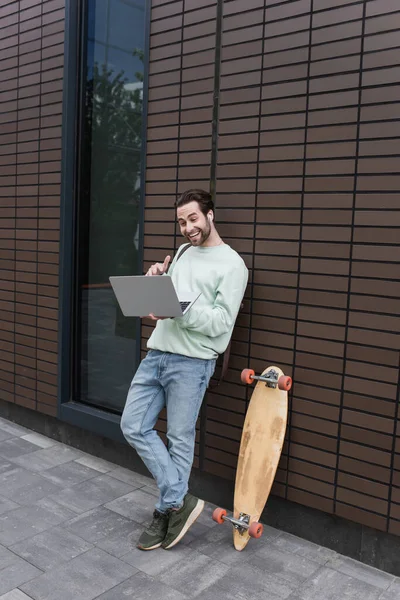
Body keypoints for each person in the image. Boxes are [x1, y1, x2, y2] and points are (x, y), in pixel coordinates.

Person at [120, 189, 248, 551]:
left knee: (179, 439)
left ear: (210, 216)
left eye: (193, 218)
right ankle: (180, 499)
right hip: (157, 353)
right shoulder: (181, 253)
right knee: (133, 425)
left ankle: (167, 510)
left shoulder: (232, 264)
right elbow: (171, 301)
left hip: (193, 362)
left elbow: (222, 324)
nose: (187, 227)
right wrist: (157, 280)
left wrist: (177, 306)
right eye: (181, 221)